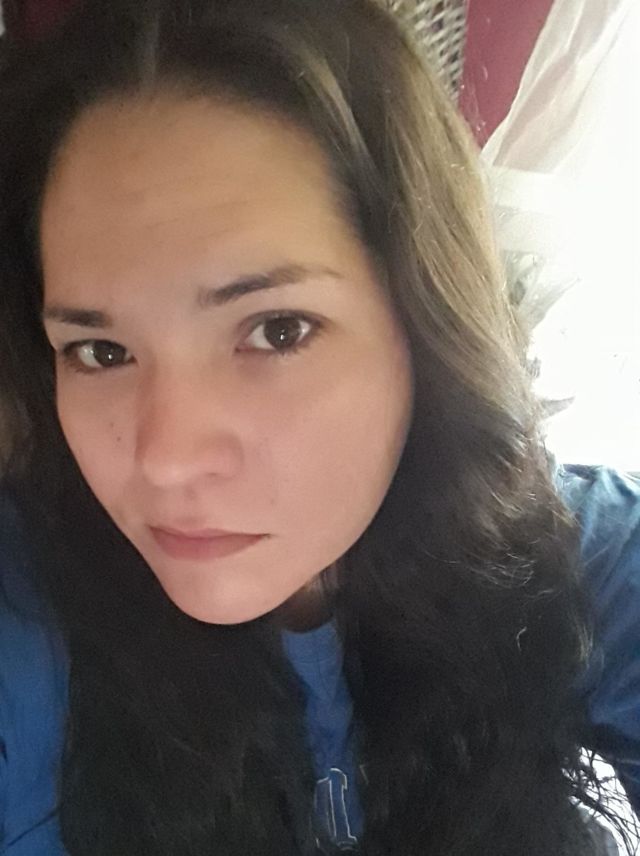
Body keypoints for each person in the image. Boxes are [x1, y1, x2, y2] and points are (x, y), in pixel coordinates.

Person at [0, 0, 638, 853]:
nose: (166, 459)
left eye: (277, 330)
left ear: (423, 324)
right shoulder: (28, 612)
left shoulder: (578, 556)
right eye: (101, 351)